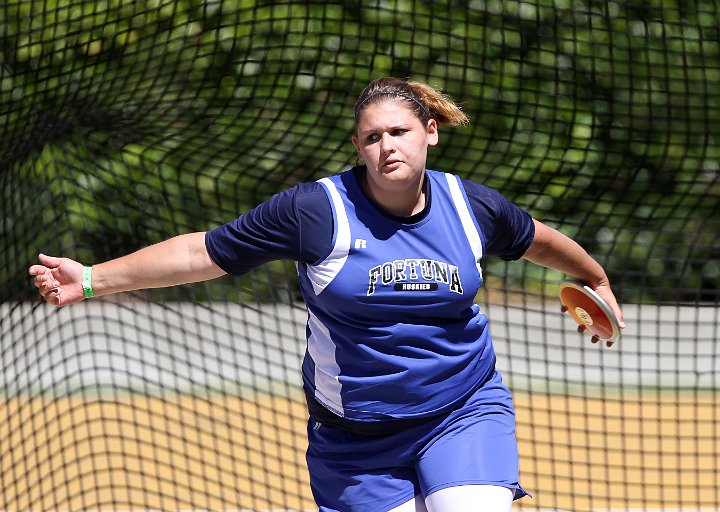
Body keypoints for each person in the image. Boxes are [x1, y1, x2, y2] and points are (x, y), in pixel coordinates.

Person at [29, 76, 625, 512]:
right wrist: (88, 279)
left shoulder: (471, 207)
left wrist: (594, 278)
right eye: (372, 137)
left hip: (460, 409)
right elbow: (200, 253)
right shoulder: (315, 211)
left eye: (400, 131)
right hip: (354, 436)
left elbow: (540, 242)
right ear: (357, 146)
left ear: (430, 134)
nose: (387, 145)